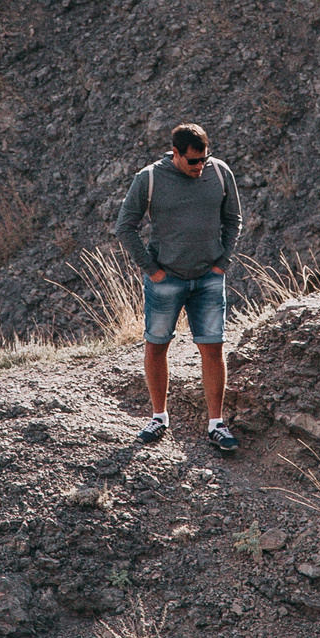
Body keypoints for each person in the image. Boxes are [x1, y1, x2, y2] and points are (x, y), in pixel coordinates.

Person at [114, 123, 241, 453]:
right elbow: (125, 226)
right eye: (192, 161)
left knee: (212, 347)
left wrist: (222, 263)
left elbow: (234, 220)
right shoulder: (150, 178)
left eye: (204, 159)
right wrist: (152, 270)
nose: (199, 167)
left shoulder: (220, 172)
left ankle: (216, 424)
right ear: (175, 154)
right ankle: (158, 417)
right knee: (157, 345)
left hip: (209, 279)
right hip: (166, 279)